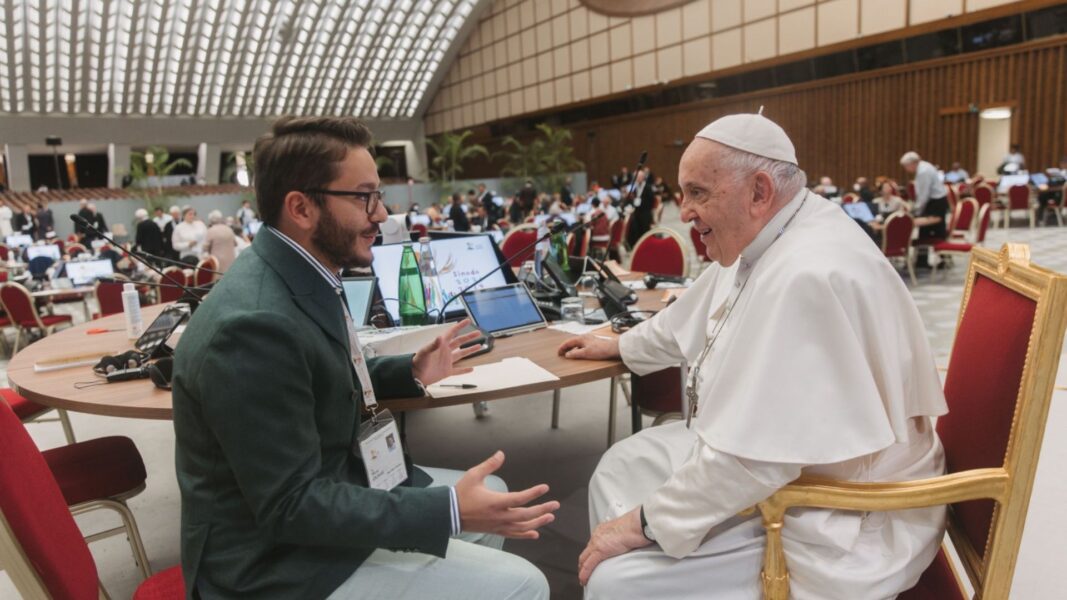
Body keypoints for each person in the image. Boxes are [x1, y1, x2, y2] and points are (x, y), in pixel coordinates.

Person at [558, 113, 947, 599]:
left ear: (759, 192)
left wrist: (643, 524)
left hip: (842, 515)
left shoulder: (808, 273)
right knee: (621, 464)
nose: (684, 212)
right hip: (789, 468)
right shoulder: (768, 234)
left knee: (619, 584)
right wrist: (619, 345)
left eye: (698, 193)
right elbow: (689, 319)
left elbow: (756, 461)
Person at [172, 115, 555, 599]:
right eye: (364, 197)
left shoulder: (297, 271)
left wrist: (407, 370)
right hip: (271, 566)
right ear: (301, 208)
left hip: (323, 499)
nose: (381, 214)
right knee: (525, 585)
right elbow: (291, 507)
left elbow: (310, 375)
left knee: (491, 497)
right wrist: (448, 511)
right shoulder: (251, 327)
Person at [900, 151, 949, 246]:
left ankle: (924, 256)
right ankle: (935, 256)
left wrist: (916, 211)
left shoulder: (923, 172)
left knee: (927, 231)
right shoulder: (925, 165)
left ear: (913, 163)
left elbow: (923, 195)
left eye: (906, 166)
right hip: (938, 200)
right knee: (935, 230)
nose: (906, 169)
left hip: (935, 202)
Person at [625, 168, 655, 248]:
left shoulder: (648, 187)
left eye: (638, 177)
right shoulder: (635, 187)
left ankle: (647, 245)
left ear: (642, 177)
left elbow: (651, 201)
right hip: (636, 212)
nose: (637, 179)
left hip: (645, 212)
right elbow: (633, 199)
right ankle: (636, 246)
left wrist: (641, 204)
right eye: (635, 177)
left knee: (644, 229)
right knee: (632, 227)